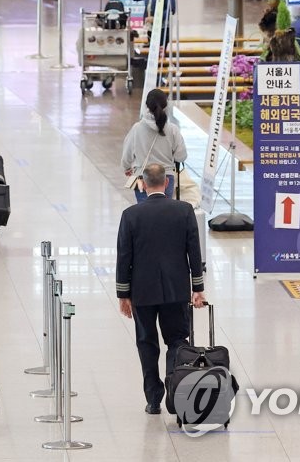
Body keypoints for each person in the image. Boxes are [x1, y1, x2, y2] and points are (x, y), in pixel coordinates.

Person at [116, 163, 206, 414]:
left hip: (142, 291)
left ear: (143, 185)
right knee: (177, 339)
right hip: (176, 290)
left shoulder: (131, 215)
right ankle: (174, 386)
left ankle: (153, 398)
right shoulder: (184, 210)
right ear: (167, 184)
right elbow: (194, 252)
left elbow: (124, 256)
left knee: (146, 342)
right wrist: (197, 287)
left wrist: (123, 294)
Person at [121, 89, 187, 202]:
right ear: (166, 106)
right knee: (165, 214)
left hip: (143, 178)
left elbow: (127, 155)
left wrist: (127, 167)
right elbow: (181, 156)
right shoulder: (172, 130)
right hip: (166, 178)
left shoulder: (137, 128)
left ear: (146, 105)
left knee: (144, 215)